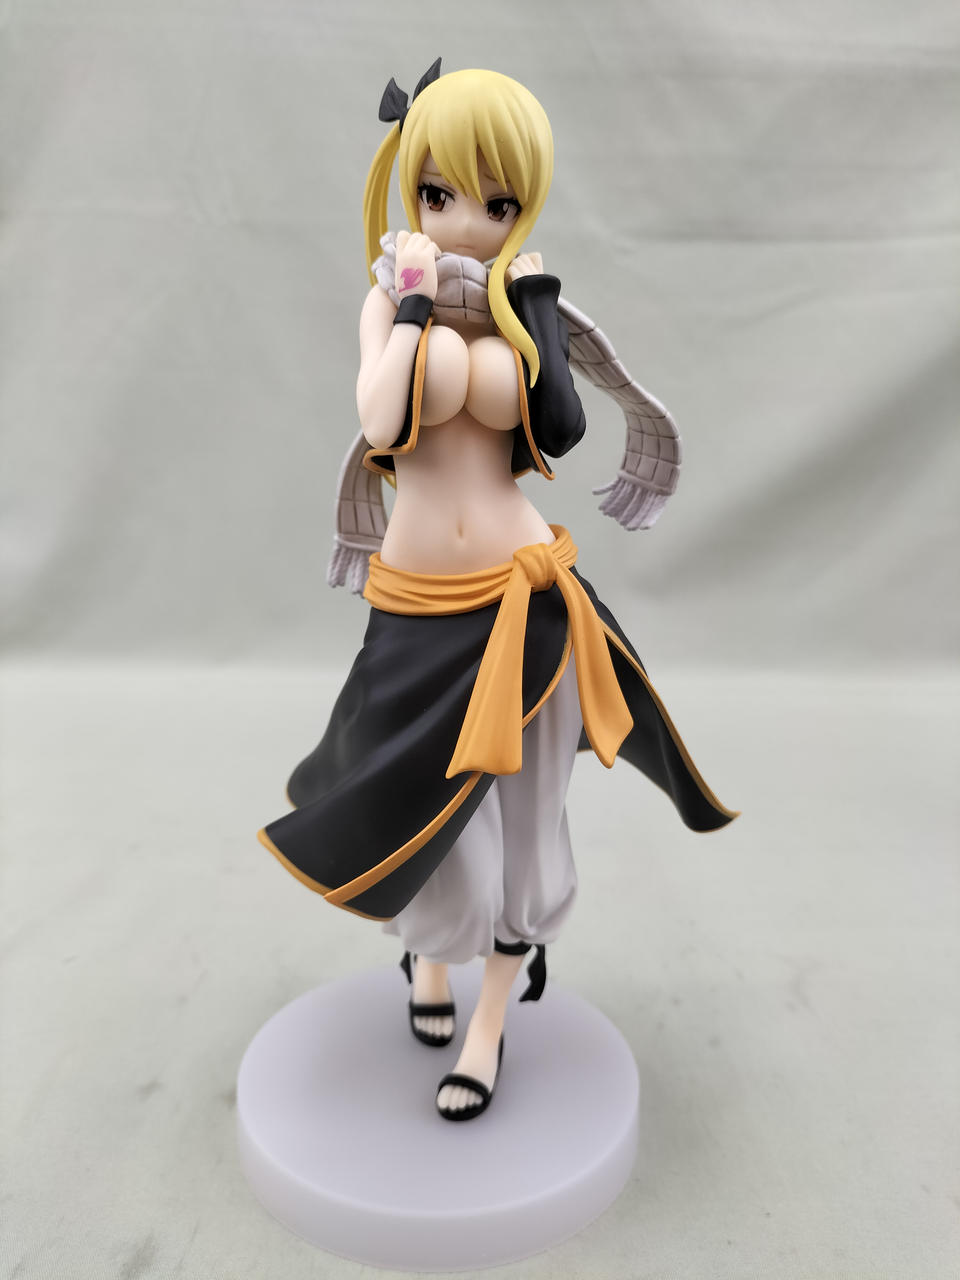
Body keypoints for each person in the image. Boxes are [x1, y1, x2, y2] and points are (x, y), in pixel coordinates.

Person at [258, 61, 737, 1122]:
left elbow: (559, 426)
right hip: (420, 613)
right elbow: (383, 420)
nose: (467, 219)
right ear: (412, 186)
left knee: (526, 829)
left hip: (525, 607)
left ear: (525, 206)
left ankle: (489, 1023)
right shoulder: (390, 299)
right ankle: (429, 958)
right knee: (417, 813)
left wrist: (533, 313)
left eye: (499, 201)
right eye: (440, 192)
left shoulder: (525, 303)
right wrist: (415, 302)